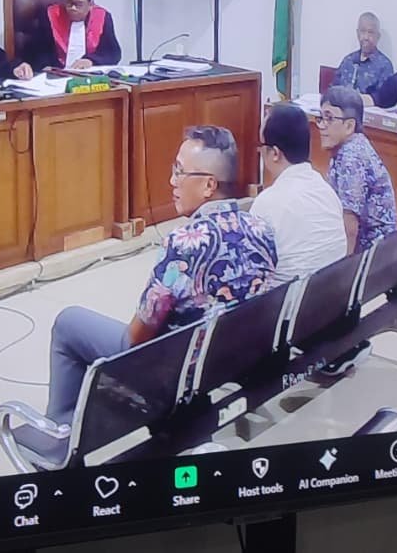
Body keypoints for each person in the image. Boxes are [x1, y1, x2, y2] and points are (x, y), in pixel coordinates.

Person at [43, 126, 277, 425]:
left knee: (69, 323)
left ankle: (58, 430)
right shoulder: (262, 230)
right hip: (230, 364)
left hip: (175, 375)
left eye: (180, 172)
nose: (172, 181)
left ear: (209, 185)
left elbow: (136, 338)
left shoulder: (183, 244)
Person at [252, 104, 348, 283]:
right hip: (332, 295)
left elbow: (252, 271)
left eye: (261, 145)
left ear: (275, 153)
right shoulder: (327, 192)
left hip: (286, 299)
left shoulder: (266, 203)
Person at [317, 86, 397, 255]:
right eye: (321, 118)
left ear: (349, 126)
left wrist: (343, 268)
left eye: (329, 118)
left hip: (372, 255)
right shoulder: (353, 144)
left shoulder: (351, 157)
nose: (322, 126)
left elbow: (350, 227)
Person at [32, 0, 122, 71]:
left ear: (90, 4)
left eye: (78, 4)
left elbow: (113, 54)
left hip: (89, 74)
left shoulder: (102, 17)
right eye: (69, 2)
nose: (73, 8)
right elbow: (38, 51)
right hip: (58, 73)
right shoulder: (50, 15)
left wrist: (91, 61)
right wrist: (47, 65)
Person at [333, 12, 394, 96]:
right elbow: (333, 91)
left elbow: (384, 98)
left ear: (378, 36)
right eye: (363, 31)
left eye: (370, 32)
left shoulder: (384, 66)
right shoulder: (348, 60)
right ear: (357, 34)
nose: (366, 37)